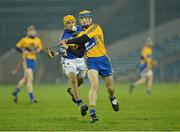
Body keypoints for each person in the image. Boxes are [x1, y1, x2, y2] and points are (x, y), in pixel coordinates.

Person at [60, 10, 119, 123]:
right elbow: (79, 53)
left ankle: (112, 98)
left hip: (104, 60)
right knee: (94, 84)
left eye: (86, 17)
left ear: (90, 19)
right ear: (80, 20)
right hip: (91, 62)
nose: (84, 20)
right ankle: (93, 113)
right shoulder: (81, 34)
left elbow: (82, 39)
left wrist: (67, 41)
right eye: (82, 18)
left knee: (110, 88)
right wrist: (67, 47)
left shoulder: (95, 27)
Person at [45, 15, 88, 116]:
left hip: (80, 59)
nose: (71, 24)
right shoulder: (64, 36)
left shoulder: (80, 28)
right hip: (69, 60)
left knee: (80, 80)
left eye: (72, 22)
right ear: (65, 25)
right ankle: (80, 105)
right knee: (73, 80)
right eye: (68, 23)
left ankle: (72, 92)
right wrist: (59, 51)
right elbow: (62, 50)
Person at [12, 25, 43, 103]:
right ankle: (32, 97)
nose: (32, 32)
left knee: (25, 79)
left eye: (33, 30)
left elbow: (40, 49)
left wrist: (37, 51)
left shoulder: (38, 40)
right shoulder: (24, 40)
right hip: (26, 60)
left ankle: (15, 92)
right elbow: (16, 47)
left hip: (33, 60)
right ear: (27, 32)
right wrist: (23, 51)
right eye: (30, 31)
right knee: (30, 78)